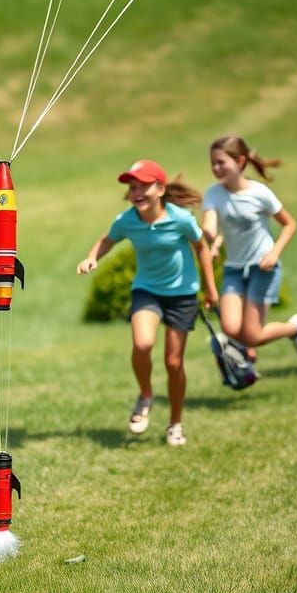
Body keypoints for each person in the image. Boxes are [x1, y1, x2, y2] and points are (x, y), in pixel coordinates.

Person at [77, 159, 219, 446]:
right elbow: (107, 240)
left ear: (160, 189)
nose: (136, 192)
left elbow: (201, 248)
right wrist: (93, 257)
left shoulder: (180, 218)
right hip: (147, 290)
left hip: (182, 294)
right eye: (132, 187)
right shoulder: (127, 220)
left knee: (173, 362)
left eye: (143, 186)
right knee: (142, 344)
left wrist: (210, 289)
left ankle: (176, 424)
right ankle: (145, 395)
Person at [201, 135, 297, 369]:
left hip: (263, 268)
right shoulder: (213, 193)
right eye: (213, 163)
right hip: (234, 268)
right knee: (231, 329)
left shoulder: (259, 193)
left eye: (222, 162)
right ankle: (249, 353)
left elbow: (290, 224)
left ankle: (295, 328)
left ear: (240, 162)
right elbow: (210, 225)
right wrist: (212, 238)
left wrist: (274, 253)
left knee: (252, 336)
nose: (216, 168)